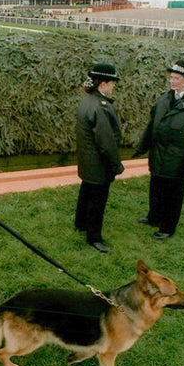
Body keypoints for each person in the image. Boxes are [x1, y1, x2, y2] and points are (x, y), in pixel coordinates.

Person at [132, 59, 184, 240]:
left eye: (177, 78)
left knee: (172, 194)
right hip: (158, 154)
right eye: (171, 77)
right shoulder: (164, 98)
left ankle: (167, 228)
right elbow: (152, 125)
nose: (172, 81)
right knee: (156, 188)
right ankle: (154, 218)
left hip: (177, 159)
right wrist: (142, 148)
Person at [74, 62, 124, 254]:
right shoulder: (100, 107)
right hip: (98, 163)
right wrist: (116, 165)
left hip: (88, 160)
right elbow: (106, 142)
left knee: (86, 191)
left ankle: (81, 223)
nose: (113, 87)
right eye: (112, 83)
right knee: (97, 201)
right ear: (103, 84)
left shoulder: (88, 100)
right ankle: (94, 238)